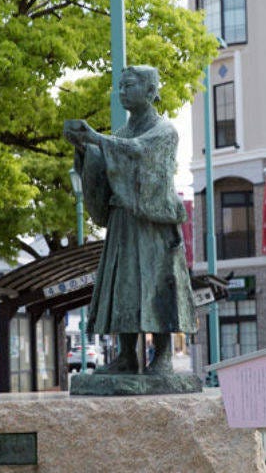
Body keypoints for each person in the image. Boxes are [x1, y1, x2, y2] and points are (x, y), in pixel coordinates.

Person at [63, 65, 196, 374]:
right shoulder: (121, 134)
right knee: (123, 284)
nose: (122, 91)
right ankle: (126, 355)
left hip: (153, 224)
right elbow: (109, 157)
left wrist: (97, 138)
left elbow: (140, 152)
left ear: (150, 91)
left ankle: (162, 356)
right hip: (124, 221)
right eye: (120, 86)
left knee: (157, 284)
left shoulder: (165, 130)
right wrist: (85, 149)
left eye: (130, 86)